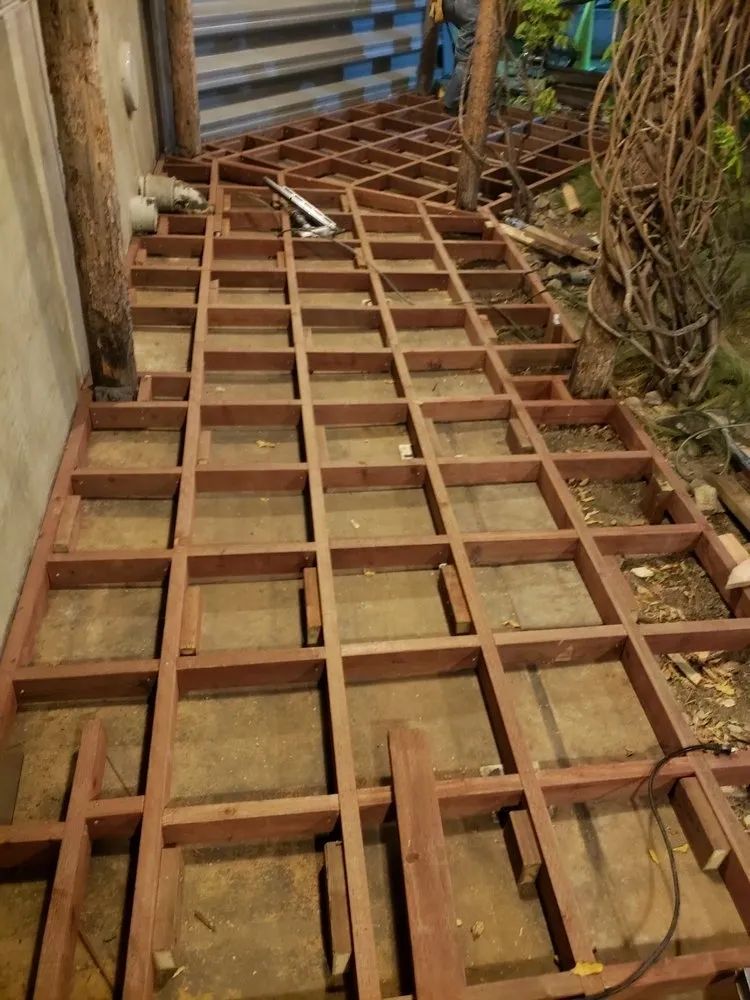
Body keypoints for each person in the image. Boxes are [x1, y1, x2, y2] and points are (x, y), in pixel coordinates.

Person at [439, 0, 480, 115]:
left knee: (467, 56)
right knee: (466, 60)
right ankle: (450, 105)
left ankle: (459, 98)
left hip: (454, 4)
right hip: (467, 6)